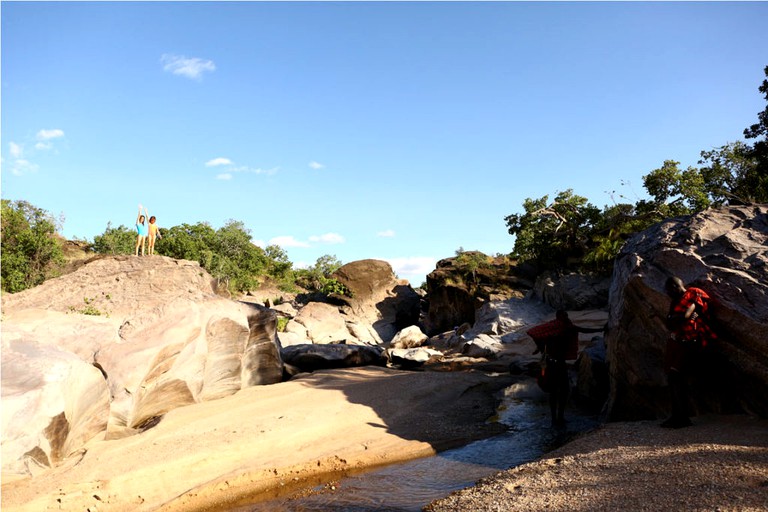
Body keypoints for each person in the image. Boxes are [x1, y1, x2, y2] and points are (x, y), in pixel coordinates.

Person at [528, 310, 606, 427]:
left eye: (566, 315)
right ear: (559, 317)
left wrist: (601, 330)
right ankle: (556, 419)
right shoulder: (557, 328)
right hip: (554, 365)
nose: (566, 317)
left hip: (555, 364)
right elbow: (532, 332)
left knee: (561, 391)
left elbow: (582, 329)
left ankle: (558, 418)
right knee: (559, 391)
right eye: (564, 315)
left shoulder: (562, 328)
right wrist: (540, 347)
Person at [662, 276, 717, 429]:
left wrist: (676, 318)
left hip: (691, 342)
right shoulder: (676, 300)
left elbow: (685, 316)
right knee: (674, 378)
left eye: (668, 290)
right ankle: (677, 415)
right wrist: (676, 318)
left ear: (675, 286)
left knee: (676, 376)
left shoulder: (693, 295)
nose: (667, 293)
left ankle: (682, 418)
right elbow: (670, 322)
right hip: (678, 341)